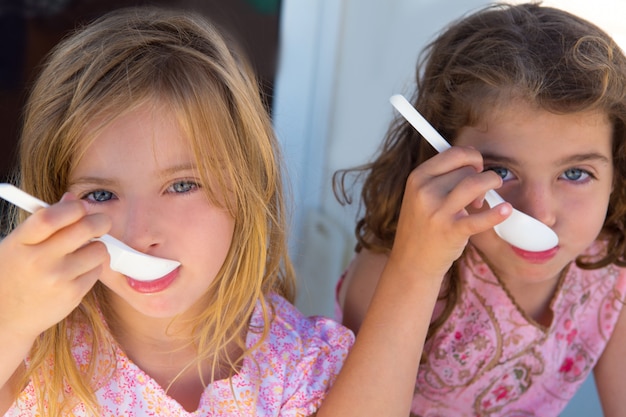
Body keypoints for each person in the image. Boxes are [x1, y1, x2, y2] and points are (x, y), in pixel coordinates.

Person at [0, 7, 358, 416]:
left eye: (182, 185)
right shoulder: (31, 353)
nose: (140, 234)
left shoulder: (300, 365)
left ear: (247, 187)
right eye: (101, 195)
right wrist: (8, 319)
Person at [334, 2, 626, 416]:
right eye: (500, 171)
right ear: (437, 165)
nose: (540, 214)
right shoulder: (395, 270)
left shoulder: (610, 264)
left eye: (575, 173)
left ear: (618, 171)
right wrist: (415, 270)